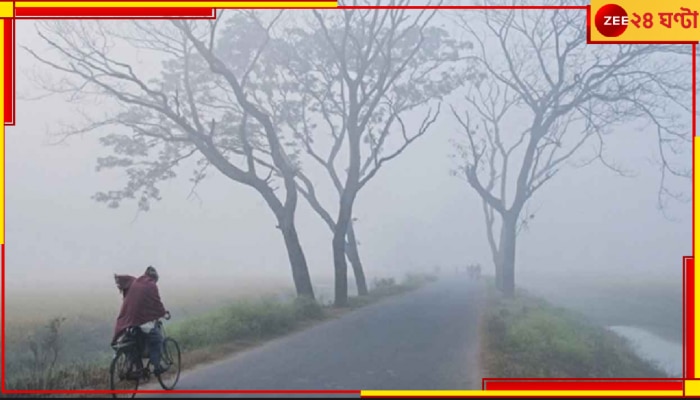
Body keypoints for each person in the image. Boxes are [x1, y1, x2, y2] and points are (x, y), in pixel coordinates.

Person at [112, 266, 170, 376]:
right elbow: (156, 303)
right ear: (154, 278)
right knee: (157, 339)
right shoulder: (151, 285)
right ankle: (156, 366)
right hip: (140, 320)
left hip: (127, 320)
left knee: (133, 342)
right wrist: (163, 313)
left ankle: (133, 366)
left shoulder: (135, 282)